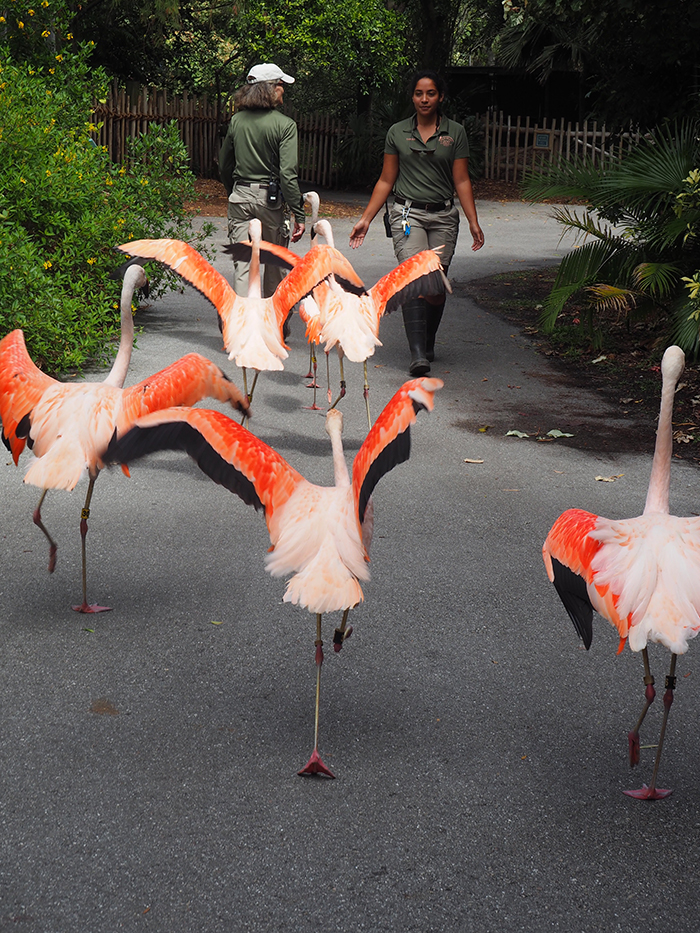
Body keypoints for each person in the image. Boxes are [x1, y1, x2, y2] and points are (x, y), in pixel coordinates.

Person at [349, 70, 485, 375]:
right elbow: (386, 179)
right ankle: (417, 354)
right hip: (407, 214)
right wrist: (366, 219)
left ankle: (427, 339)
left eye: (431, 93)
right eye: (419, 94)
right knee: (414, 279)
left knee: (436, 287)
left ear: (440, 97)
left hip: (443, 216)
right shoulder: (397, 132)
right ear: (412, 97)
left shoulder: (455, 133)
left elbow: (461, 180)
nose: (425, 99)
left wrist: (473, 221)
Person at [219, 63, 306, 297]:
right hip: (270, 201)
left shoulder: (236, 121)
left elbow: (224, 164)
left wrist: (233, 191)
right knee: (275, 264)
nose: (283, 90)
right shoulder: (285, 125)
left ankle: (241, 327)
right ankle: (274, 326)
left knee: (242, 266)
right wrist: (299, 213)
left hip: (240, 197)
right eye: (280, 85)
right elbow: (288, 175)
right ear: (269, 88)